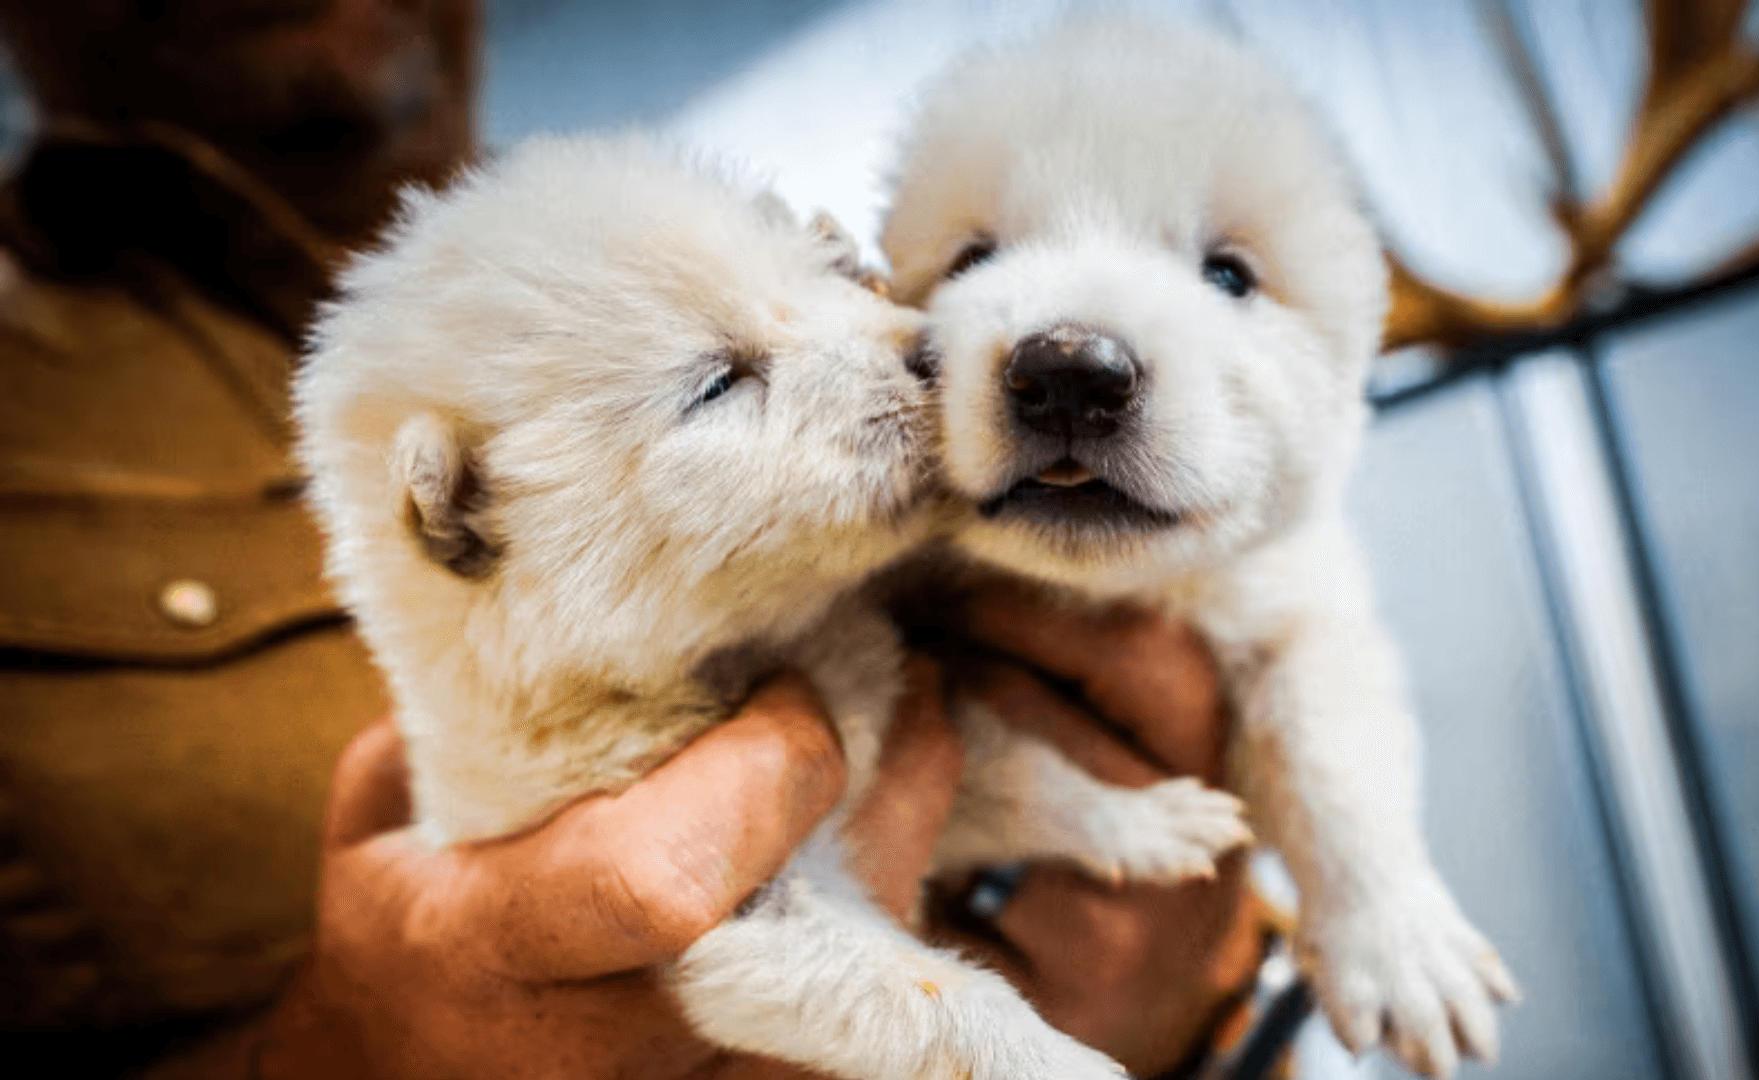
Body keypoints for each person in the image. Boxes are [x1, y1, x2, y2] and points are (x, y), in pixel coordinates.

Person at [0, 2, 1267, 1076]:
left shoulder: (651, 214)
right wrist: (347, 1057)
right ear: (467, 514)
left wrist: (1202, 1007)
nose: (910, 347)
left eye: (834, 279)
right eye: (719, 386)